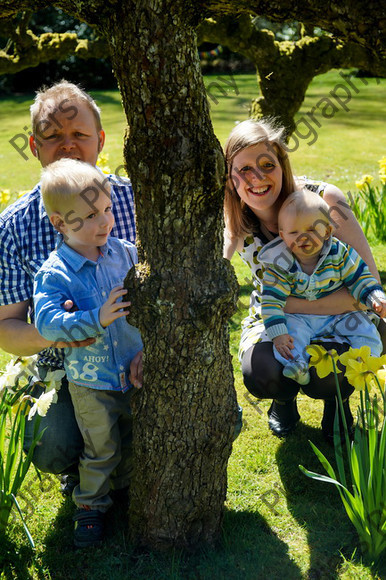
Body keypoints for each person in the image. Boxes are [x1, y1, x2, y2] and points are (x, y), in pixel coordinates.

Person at [0, 81, 141, 493]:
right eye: (53, 137)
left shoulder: (133, 200)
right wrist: (62, 332)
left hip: (137, 351)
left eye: (78, 135)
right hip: (64, 370)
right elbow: (6, 328)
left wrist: (155, 349)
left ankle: (119, 465)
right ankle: (90, 465)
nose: (67, 146)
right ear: (33, 145)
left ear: (99, 140)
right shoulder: (13, 226)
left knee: (220, 414)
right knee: (51, 445)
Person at [223, 118, 386, 442]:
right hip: (281, 316)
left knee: (327, 375)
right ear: (230, 177)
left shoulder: (323, 202)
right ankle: (283, 399)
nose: (256, 177)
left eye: (267, 164)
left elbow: (367, 281)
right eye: (243, 170)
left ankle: (336, 403)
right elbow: (218, 271)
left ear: (282, 164)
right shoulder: (235, 221)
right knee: (264, 371)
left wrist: (293, 304)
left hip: (342, 314)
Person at [33, 158, 143, 547]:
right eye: (90, 216)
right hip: (91, 381)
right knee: (101, 446)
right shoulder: (55, 272)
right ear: (60, 224)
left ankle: (124, 488)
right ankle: (90, 506)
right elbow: (47, 323)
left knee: (131, 438)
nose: (104, 222)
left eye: (108, 209)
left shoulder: (125, 254)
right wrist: (95, 317)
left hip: (132, 371)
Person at [259, 189, 386, 385]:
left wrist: (374, 297)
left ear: (326, 231)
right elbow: (271, 301)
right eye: (294, 232)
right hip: (299, 319)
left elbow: (360, 277)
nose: (303, 238)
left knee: (364, 328)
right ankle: (297, 365)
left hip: (339, 315)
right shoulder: (280, 265)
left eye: (311, 229)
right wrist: (278, 333)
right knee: (289, 338)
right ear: (283, 236)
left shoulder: (340, 254)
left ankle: (365, 360)